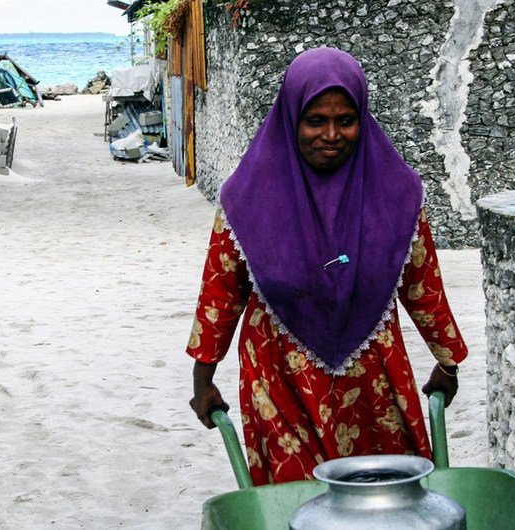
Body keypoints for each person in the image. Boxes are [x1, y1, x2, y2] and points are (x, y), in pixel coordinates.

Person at [185, 47, 468, 486]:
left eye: (346, 120)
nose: (331, 135)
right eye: (315, 121)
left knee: (384, 498)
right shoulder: (247, 198)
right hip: (277, 376)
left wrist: (448, 364)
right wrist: (203, 382)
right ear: (291, 118)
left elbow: (423, 288)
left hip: (374, 377)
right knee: (298, 500)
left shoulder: (398, 194)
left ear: (363, 119)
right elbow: (220, 297)